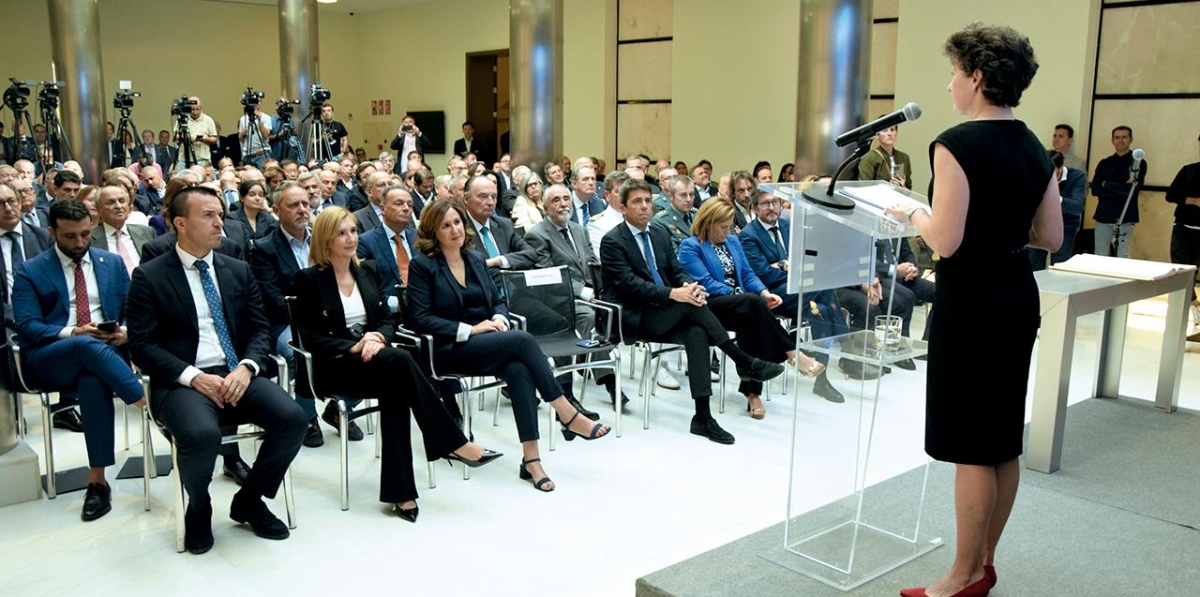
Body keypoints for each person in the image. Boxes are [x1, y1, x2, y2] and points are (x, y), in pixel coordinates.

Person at [884, 23, 1062, 597]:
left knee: (970, 446)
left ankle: (960, 578)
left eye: (955, 72)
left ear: (977, 77)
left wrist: (908, 212)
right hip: (1016, 292)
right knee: (1002, 437)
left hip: (973, 300)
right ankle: (984, 563)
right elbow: (1052, 234)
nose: (950, 84)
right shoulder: (1036, 145)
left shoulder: (956, 143)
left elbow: (947, 240)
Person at [127, 186, 308, 554]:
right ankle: (199, 505)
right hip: (182, 381)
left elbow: (259, 328)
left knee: (292, 419)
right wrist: (193, 376)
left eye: (220, 215)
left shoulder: (237, 269)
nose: (218, 222)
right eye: (208, 215)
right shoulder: (150, 276)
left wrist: (246, 367)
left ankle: (250, 499)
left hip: (235, 371)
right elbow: (142, 346)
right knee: (201, 434)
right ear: (180, 223)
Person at [293, 207, 500, 520]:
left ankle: (401, 494)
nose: (351, 239)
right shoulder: (309, 280)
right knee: (401, 360)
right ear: (325, 239)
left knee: (396, 387)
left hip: (377, 360)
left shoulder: (368, 270)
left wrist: (377, 336)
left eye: (353, 231)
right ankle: (453, 442)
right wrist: (355, 345)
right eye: (342, 233)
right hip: (336, 367)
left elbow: (387, 320)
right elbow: (310, 338)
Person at [407, 199, 610, 492]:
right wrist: (471, 329)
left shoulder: (475, 259)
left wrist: (500, 316)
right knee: (524, 340)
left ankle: (532, 460)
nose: (455, 230)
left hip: (487, 343)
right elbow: (420, 318)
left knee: (518, 370)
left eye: (457, 223)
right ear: (432, 232)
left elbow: (498, 299)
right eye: (445, 225)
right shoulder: (423, 266)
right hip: (448, 350)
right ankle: (567, 412)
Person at [600, 179, 785, 444]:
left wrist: (690, 285)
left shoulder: (659, 234)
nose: (644, 206)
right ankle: (742, 359)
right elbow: (630, 286)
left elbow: (676, 270)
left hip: (670, 310)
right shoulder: (613, 241)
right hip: (637, 316)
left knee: (696, 331)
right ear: (622, 207)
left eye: (648, 200)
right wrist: (675, 294)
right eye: (637, 202)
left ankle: (702, 416)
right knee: (691, 305)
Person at [12, 199, 145, 522]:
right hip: (50, 357)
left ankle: (97, 481)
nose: (80, 243)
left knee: (93, 378)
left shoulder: (110, 263)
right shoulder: (31, 270)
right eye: (70, 237)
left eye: (86, 234)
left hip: (104, 357)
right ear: (52, 231)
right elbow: (27, 326)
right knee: (84, 346)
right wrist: (72, 332)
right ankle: (146, 402)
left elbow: (134, 313)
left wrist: (124, 332)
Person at [677, 198, 823, 419]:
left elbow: (747, 274)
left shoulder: (733, 242)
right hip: (710, 305)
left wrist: (764, 292)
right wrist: (740, 294)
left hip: (741, 305)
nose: (728, 232)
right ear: (708, 223)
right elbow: (705, 282)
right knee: (751, 304)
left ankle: (752, 394)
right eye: (722, 227)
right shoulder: (691, 246)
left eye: (730, 226)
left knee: (752, 318)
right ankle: (793, 353)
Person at [738, 190, 847, 403]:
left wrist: (792, 267)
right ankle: (845, 340)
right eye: (765, 203)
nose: (771, 207)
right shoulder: (748, 236)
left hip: (800, 289)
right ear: (755, 208)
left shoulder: (788, 228)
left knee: (821, 310)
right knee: (824, 288)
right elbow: (762, 273)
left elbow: (805, 258)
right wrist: (786, 266)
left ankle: (821, 378)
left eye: (775, 202)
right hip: (772, 294)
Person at [1091, 125, 1147, 258]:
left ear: (1130, 139)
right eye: (1117, 137)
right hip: (1103, 216)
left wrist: (1107, 184)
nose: (1120, 140)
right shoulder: (1104, 163)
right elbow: (1095, 189)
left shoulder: (1138, 163)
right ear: (1112, 140)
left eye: (1124, 137)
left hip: (1126, 216)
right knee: (1100, 254)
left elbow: (1132, 190)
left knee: (1123, 255)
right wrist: (1120, 187)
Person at [1165, 133, 1200, 341]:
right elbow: (1170, 195)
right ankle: (1192, 312)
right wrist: (1193, 200)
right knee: (1181, 272)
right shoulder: (1189, 170)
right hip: (1184, 229)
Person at [857, 122, 913, 189]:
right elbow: (864, 188)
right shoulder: (869, 158)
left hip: (898, 198)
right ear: (877, 135)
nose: (889, 134)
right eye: (885, 130)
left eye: (892, 130)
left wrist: (903, 187)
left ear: (896, 133)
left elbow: (909, 189)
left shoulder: (904, 158)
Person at [509, 170, 546, 235]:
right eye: (529, 185)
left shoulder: (547, 198)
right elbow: (526, 228)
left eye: (535, 184)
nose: (533, 187)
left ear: (540, 185)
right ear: (525, 189)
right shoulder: (521, 203)